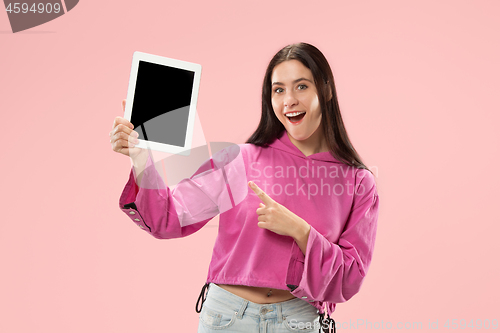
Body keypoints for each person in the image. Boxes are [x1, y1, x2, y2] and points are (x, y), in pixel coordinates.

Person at [110, 42, 379, 333]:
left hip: (298, 321)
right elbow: (167, 219)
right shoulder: (239, 159)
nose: (289, 100)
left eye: (301, 86)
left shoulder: (357, 182)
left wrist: (300, 231)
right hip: (226, 318)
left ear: (325, 91)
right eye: (279, 90)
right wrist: (141, 159)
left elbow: (350, 278)